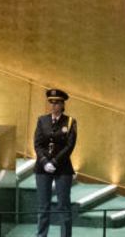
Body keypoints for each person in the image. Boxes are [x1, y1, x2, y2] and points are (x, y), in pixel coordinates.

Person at [34, 88, 77, 237]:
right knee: (43, 206)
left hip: (63, 167)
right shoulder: (42, 120)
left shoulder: (70, 121)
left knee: (63, 206)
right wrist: (45, 162)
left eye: (57, 103)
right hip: (42, 167)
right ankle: (41, 235)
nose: (53, 106)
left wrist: (55, 162)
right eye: (51, 103)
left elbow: (69, 146)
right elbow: (37, 144)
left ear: (63, 104)